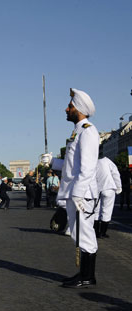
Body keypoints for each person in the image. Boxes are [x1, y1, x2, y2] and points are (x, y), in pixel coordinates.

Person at [48, 88, 100, 288]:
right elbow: (72, 165)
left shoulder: (88, 130)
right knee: (78, 233)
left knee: (85, 234)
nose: (66, 109)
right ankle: (84, 273)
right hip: (74, 193)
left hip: (82, 194)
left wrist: (78, 193)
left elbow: (87, 167)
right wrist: (53, 162)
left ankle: (87, 276)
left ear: (78, 109)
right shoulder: (78, 131)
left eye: (69, 106)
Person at [94, 157, 121, 238]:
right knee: (106, 211)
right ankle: (103, 232)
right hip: (109, 188)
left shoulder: (94, 163)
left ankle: (96, 232)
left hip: (97, 189)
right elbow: (116, 174)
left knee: (96, 211)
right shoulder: (108, 161)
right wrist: (119, 187)